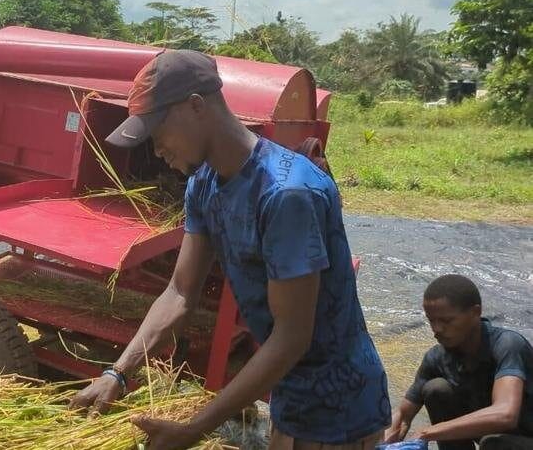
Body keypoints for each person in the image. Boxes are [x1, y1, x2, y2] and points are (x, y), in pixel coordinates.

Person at [69, 50, 390, 449]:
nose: (157, 149)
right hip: (291, 391)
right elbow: (179, 292)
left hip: (339, 407)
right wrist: (117, 373)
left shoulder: (286, 195)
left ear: (195, 106)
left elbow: (292, 337)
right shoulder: (203, 183)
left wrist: (194, 429)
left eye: (158, 131)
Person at [383, 274, 533, 450]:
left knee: (493, 443)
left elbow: (505, 414)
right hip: (492, 436)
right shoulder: (436, 358)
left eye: (446, 321)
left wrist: (427, 432)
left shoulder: (508, 345)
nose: (436, 329)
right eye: (431, 320)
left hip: (523, 438)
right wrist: (383, 441)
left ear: (475, 313)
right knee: (435, 389)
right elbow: (402, 415)